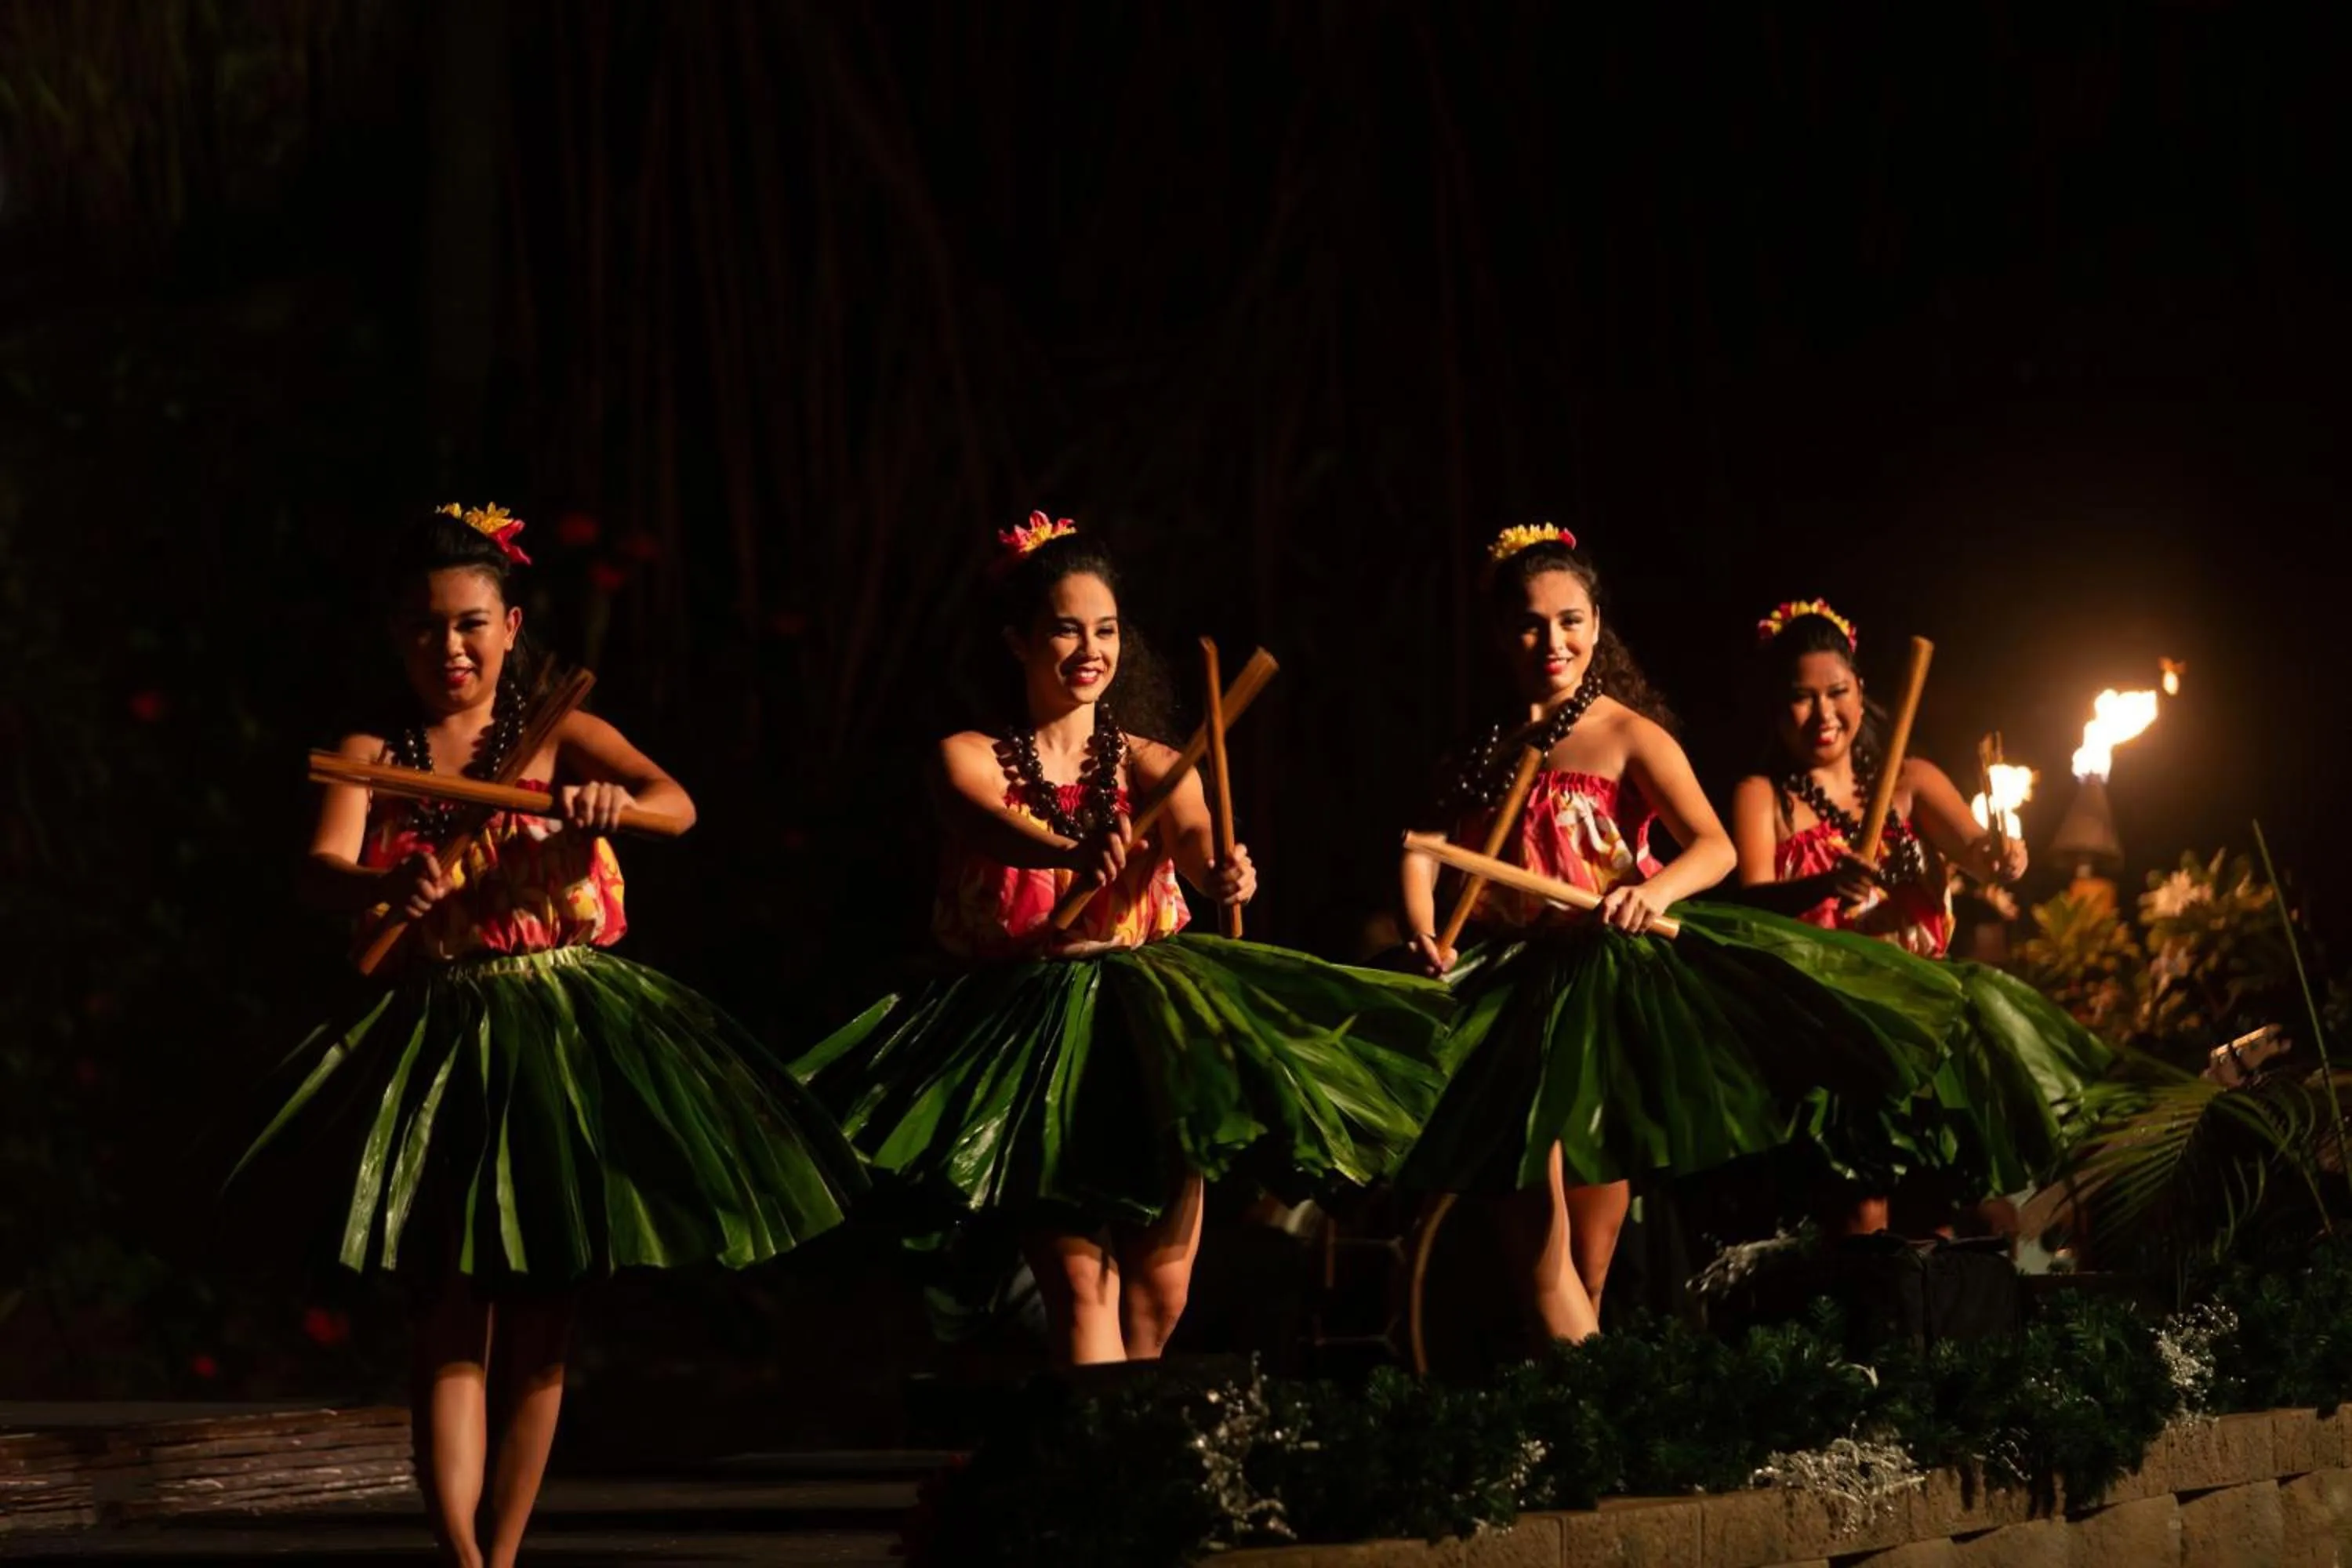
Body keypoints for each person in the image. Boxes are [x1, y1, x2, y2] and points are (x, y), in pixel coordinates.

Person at [232, 504, 862, 1568]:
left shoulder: (559, 730)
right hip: (441, 1034)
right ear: (397, 637)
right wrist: (381, 883)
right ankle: (463, 1560)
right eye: (426, 627)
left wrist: (614, 805)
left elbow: (677, 806)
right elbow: (318, 870)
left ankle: (507, 1553)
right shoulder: (367, 753)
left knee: (540, 1321)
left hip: (562, 1032)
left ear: (511, 626)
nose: (450, 646)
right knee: (446, 1313)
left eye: (471, 623)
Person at [794, 514, 1451, 1366]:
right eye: (1065, 628)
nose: (1090, 649)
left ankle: (1122, 1438)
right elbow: (986, 825)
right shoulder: (967, 758)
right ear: (1017, 640)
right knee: (1080, 1287)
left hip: (1150, 1023)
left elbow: (1195, 837)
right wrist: (1069, 849)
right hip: (1029, 1034)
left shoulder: (1152, 763)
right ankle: (1102, 1441)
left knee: (1159, 1294)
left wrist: (1222, 872)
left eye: (1105, 629)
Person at [1392, 525, 1947, 1345]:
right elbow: (1422, 848)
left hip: (1597, 991)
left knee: (1589, 1255)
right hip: (1505, 989)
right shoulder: (1487, 744)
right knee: (1531, 1231)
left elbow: (1715, 848)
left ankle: (1581, 1395)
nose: (1554, 641)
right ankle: (1574, 1385)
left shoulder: (1626, 733)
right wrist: (1424, 929)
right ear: (1502, 633)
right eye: (1531, 624)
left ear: (1597, 622)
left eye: (1571, 620)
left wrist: (1648, 893)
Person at [1726, 600, 2111, 1225]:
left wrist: (2003, 855)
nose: (1824, 714)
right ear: (1777, 706)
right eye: (1802, 697)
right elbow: (1751, 902)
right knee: (1864, 1213)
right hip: (1837, 1025)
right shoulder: (1762, 796)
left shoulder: (1911, 780)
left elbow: (1979, 853)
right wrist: (1822, 885)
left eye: (1837, 692)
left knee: (1973, 1209)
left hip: (1931, 1015)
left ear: (1861, 690)